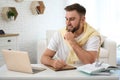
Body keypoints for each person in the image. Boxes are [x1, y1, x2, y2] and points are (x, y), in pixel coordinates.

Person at [41, 3, 101, 70]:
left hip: (86, 74)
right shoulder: (59, 34)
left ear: (82, 20)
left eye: (72, 19)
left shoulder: (93, 35)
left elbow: (90, 62)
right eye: (66, 19)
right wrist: (52, 62)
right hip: (64, 73)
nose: (68, 23)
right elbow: (44, 57)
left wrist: (72, 42)